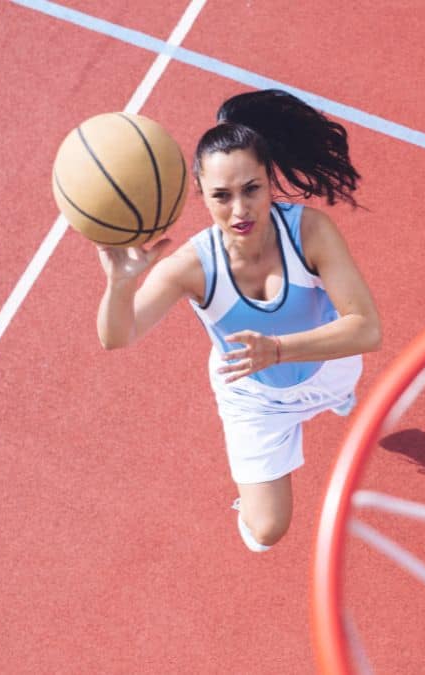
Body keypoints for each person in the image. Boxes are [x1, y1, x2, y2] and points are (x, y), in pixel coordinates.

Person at [94, 89, 382, 552]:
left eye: (252, 189)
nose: (240, 210)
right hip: (254, 398)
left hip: (328, 369)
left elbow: (367, 328)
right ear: (201, 196)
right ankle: (249, 501)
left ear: (270, 180)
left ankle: (336, 399)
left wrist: (280, 350)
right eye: (222, 196)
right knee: (267, 532)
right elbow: (117, 336)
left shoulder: (309, 232)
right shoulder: (191, 266)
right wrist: (121, 284)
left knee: (343, 386)